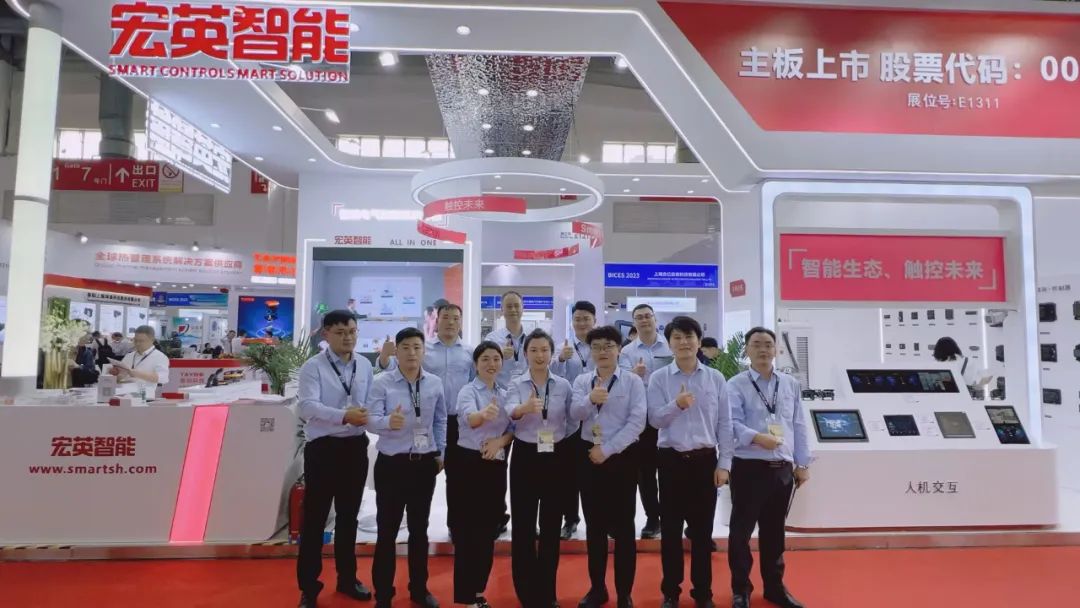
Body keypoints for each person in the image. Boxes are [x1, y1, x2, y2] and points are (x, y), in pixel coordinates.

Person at [646, 316, 733, 608]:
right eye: (677, 338)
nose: (684, 342)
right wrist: (677, 405)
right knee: (670, 531)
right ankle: (671, 592)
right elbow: (654, 420)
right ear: (669, 343)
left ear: (699, 341)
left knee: (702, 532)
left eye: (689, 337)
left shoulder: (715, 378)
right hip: (671, 461)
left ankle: (703, 593)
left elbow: (725, 424)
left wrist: (724, 464)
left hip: (705, 462)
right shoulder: (659, 379)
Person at [295, 310, 375, 608]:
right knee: (315, 519)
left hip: (354, 448)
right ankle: (309, 587)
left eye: (352, 331)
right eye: (340, 332)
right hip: (323, 449)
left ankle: (347, 578)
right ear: (326, 334)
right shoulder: (313, 367)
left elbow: (368, 402)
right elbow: (307, 407)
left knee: (348, 518)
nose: (348, 337)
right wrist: (344, 416)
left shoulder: (364, 365)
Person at [726, 327, 810, 608]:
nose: (763, 349)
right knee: (741, 533)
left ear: (776, 349)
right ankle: (741, 590)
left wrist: (802, 463)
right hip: (749, 467)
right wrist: (756, 437)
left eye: (768, 344)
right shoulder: (735, 384)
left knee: (774, 533)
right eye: (756, 344)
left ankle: (774, 587)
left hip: (781, 468)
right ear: (747, 350)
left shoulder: (789, 384)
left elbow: (798, 424)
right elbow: (731, 423)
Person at [378, 304, 475, 533]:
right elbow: (393, 367)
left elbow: (473, 384)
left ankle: (456, 526)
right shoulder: (422, 348)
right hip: (426, 421)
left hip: (460, 422)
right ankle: (411, 523)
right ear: (436, 320)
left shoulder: (469, 352)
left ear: (461, 322)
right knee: (421, 477)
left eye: (456, 318)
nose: (450, 322)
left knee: (458, 477)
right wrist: (384, 356)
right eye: (446, 317)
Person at [368, 327, 447, 608]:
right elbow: (370, 420)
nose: (412, 353)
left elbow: (440, 420)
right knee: (386, 532)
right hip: (392, 465)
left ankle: (419, 589)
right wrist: (387, 422)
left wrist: (441, 453)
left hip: (423, 465)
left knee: (419, 530)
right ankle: (383, 595)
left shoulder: (435, 383)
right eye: (406, 347)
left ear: (424, 351)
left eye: (417, 347)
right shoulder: (381, 383)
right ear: (396, 351)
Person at [570, 326, 646, 608]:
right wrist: (590, 400)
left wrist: (608, 449)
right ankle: (597, 588)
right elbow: (574, 414)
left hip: (622, 457)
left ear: (619, 349)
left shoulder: (632, 382)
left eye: (608, 346)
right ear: (590, 351)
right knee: (595, 527)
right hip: (588, 456)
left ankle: (624, 592)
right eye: (596, 346)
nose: (602, 351)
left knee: (624, 528)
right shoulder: (582, 381)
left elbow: (637, 422)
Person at [506, 329, 574, 608]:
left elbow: (572, 419)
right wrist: (523, 409)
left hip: (555, 456)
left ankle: (547, 592)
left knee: (550, 526)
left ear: (552, 353)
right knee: (523, 525)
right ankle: (526, 592)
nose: (539, 355)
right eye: (533, 350)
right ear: (525, 354)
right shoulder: (516, 383)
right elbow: (509, 412)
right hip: (525, 455)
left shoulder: (563, 385)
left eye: (544, 350)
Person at [451, 342, 515, 608]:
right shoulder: (468, 391)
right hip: (469, 464)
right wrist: (484, 414)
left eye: (496, 359)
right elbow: (470, 419)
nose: (491, 363)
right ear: (476, 364)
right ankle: (466, 596)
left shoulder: (505, 393)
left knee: (489, 529)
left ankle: (478, 590)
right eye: (485, 359)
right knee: (468, 531)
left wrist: (500, 442)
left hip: (495, 463)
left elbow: (513, 429)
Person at [618, 303, 671, 540]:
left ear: (655, 319)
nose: (644, 320)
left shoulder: (670, 346)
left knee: (670, 472)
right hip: (643, 421)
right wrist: (634, 375)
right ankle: (653, 518)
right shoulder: (626, 352)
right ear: (634, 322)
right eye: (639, 317)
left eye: (648, 316)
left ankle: (673, 517)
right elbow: (620, 383)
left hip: (670, 417)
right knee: (645, 473)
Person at [554, 300, 597, 540]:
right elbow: (552, 376)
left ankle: (602, 520)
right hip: (570, 420)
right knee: (568, 474)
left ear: (594, 321)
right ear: (572, 322)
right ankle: (570, 519)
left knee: (598, 472)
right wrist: (560, 359)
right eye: (577, 319)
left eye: (586, 318)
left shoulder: (602, 346)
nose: (581, 323)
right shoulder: (564, 347)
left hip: (598, 418)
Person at [485, 291, 528, 387]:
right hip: (500, 393)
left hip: (526, 392)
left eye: (516, 306)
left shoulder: (532, 339)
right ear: (502, 309)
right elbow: (483, 367)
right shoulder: (491, 339)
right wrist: (499, 355)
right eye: (509, 306)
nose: (513, 309)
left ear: (523, 308)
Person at [108, 325, 169, 393]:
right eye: (135, 340)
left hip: (144, 396)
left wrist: (138, 374)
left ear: (152, 340)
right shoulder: (129, 356)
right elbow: (120, 378)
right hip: (123, 394)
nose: (137, 343)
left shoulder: (160, 357)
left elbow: (163, 378)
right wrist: (116, 374)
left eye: (141, 341)